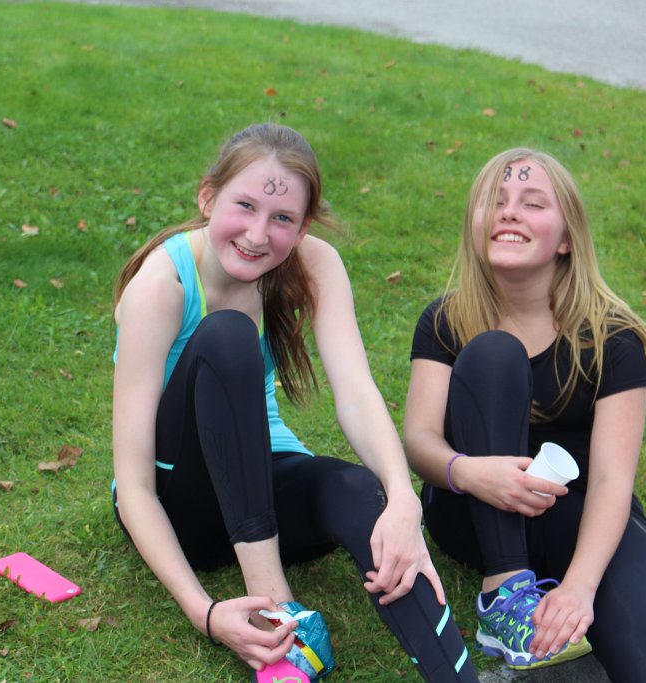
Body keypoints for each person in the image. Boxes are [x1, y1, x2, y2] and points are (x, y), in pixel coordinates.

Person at [111, 123, 476, 682]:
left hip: (260, 486)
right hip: (177, 503)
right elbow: (134, 487)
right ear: (208, 197)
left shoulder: (314, 263)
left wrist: (403, 500)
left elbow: (355, 392)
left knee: (362, 491)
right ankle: (277, 607)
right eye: (245, 206)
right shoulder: (161, 287)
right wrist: (205, 613)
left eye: (282, 218)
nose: (258, 234)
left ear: (303, 225)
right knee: (227, 336)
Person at [403, 148, 646, 681]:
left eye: (532, 203)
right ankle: (504, 593)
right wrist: (468, 472)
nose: (509, 212)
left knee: (637, 642)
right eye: (495, 201)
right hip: (468, 507)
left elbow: (611, 481)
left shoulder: (612, 337)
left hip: (570, 509)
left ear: (566, 238)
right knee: (494, 353)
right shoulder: (446, 319)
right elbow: (419, 440)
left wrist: (579, 587)